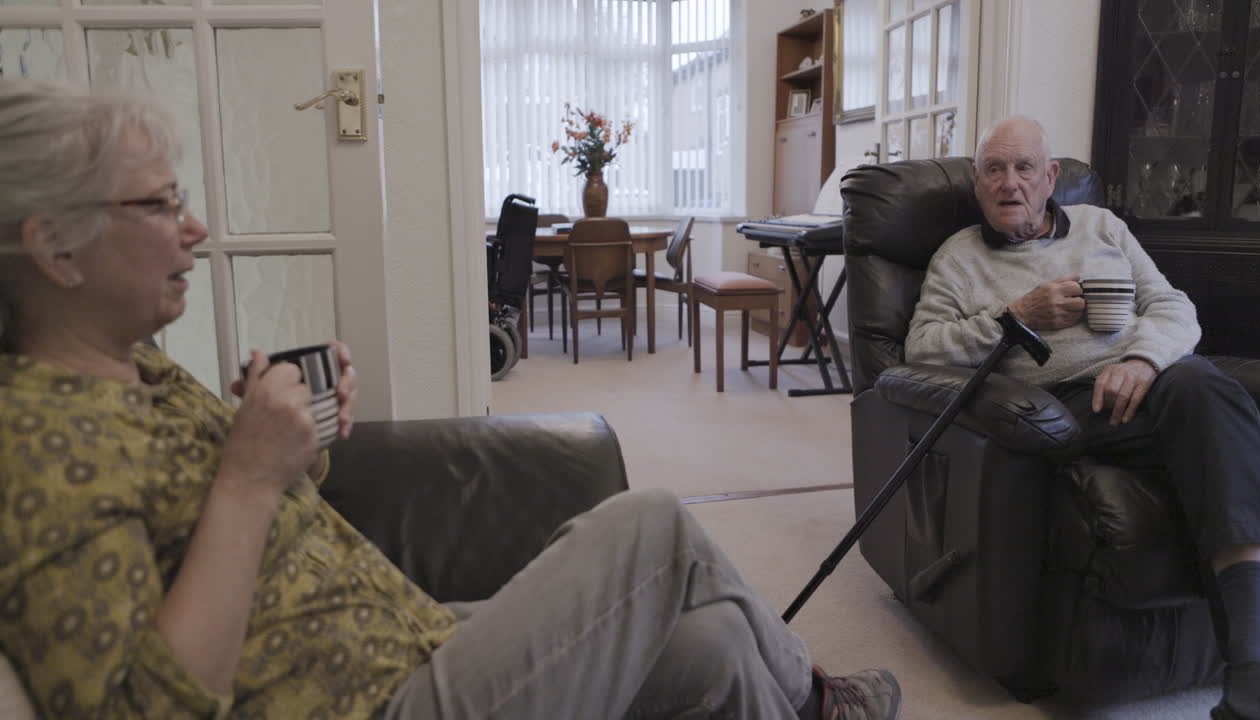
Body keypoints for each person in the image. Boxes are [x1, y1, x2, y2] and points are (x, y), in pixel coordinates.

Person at [0, 77, 901, 720]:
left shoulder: (136, 370)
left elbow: (231, 545)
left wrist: (287, 457)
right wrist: (243, 476)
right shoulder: (34, 452)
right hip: (372, 701)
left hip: (404, 640)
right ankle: (824, 701)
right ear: (56, 247)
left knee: (720, 649)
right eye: (160, 204)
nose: (194, 226)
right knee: (654, 526)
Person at [905, 114, 1260, 720]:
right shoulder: (959, 259)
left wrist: (1143, 359)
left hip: (1151, 382)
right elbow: (921, 348)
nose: (1010, 183)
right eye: (993, 170)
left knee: (1206, 391)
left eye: (1025, 167)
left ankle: (1256, 677)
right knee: (1213, 406)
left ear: (1051, 177)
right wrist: (1014, 317)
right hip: (1061, 406)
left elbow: (1173, 306)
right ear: (977, 185)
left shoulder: (1105, 227)